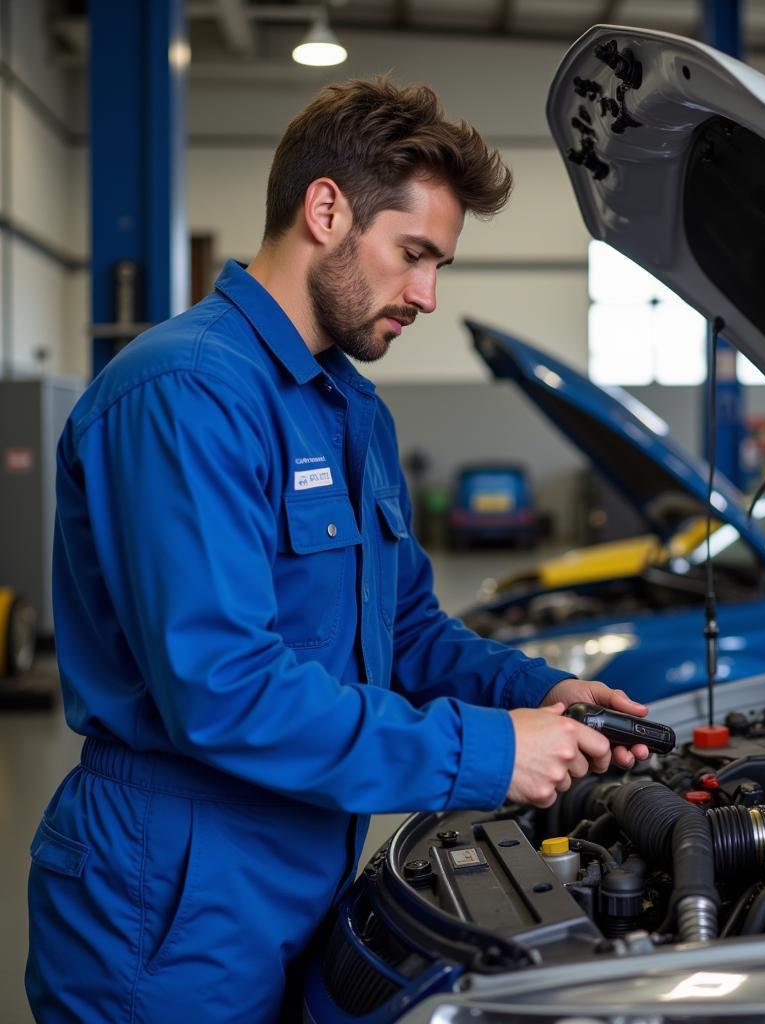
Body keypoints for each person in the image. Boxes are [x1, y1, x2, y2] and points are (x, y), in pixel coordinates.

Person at [25, 77, 651, 1022]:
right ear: (326, 210)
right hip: (171, 887)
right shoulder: (186, 392)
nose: (428, 295)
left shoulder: (347, 409)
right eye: (414, 255)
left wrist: (534, 695)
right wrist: (486, 752)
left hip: (303, 859)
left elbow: (405, 632)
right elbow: (223, 690)